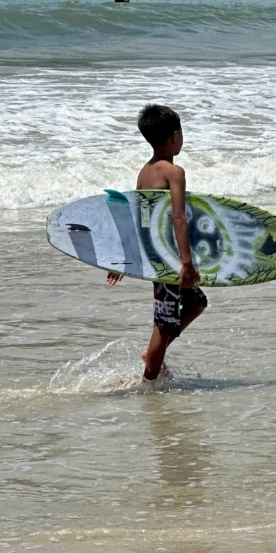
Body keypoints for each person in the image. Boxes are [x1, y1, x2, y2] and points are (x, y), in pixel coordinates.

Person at [107, 104, 206, 381]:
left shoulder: (144, 172)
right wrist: (186, 262)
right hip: (169, 259)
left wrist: (123, 260)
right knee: (163, 324)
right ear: (175, 136)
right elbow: (178, 219)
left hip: (155, 254)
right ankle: (149, 381)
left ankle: (152, 353)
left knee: (196, 302)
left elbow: (140, 222)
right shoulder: (174, 173)